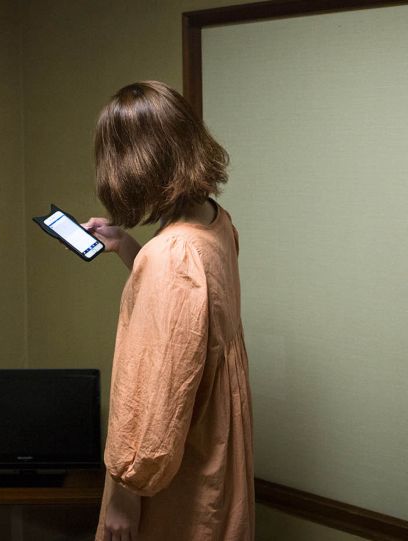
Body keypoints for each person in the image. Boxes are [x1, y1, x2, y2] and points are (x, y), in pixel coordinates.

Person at [84, 81, 254, 541]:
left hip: (175, 477)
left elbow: (156, 396)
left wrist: (126, 493)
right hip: (213, 448)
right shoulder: (215, 220)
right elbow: (187, 312)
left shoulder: (170, 257)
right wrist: (126, 245)